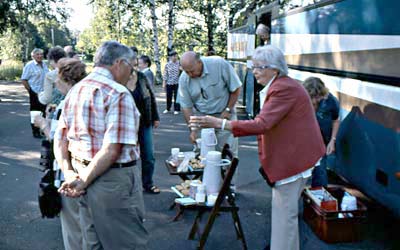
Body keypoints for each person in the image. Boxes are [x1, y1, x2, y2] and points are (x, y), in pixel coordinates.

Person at [189, 45, 325, 250]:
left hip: (293, 162)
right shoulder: (282, 85)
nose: (254, 71)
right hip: (294, 158)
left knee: (284, 217)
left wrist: (219, 123)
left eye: (259, 67)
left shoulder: (283, 88)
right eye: (254, 67)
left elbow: (262, 124)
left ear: (275, 69)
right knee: (283, 216)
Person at [54, 41, 149, 250]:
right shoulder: (118, 93)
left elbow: (60, 139)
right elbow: (112, 149)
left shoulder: (76, 90)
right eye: (131, 67)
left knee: (91, 243)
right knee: (126, 242)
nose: (131, 73)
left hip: (79, 173)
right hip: (111, 180)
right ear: (119, 63)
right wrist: (83, 181)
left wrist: (70, 174)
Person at [35, 58, 87, 250]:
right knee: (87, 228)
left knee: (73, 231)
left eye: (57, 77)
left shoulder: (68, 103)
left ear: (66, 79)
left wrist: (43, 125)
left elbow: (57, 139)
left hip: (68, 174)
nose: (55, 83)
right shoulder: (86, 99)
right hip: (87, 173)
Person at [178, 51, 241, 157]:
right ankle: (206, 173)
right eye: (186, 72)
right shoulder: (184, 79)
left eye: (192, 71)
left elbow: (236, 88)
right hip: (202, 118)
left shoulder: (219, 64)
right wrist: (193, 129)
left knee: (228, 154)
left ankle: (227, 173)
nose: (190, 75)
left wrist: (228, 110)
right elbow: (186, 107)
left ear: (199, 62)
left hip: (224, 115)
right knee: (203, 155)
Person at [127, 51, 161, 194]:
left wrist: (155, 117)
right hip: (127, 125)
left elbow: (151, 96)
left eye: (136, 65)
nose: (134, 68)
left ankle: (148, 183)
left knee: (148, 155)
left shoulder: (141, 77)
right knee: (127, 157)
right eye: (132, 65)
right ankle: (130, 186)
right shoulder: (118, 80)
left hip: (144, 122)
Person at [303, 77, 340, 188]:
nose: (314, 101)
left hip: (321, 142)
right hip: (302, 142)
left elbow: (336, 120)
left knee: (320, 172)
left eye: (317, 97)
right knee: (298, 176)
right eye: (311, 97)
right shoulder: (299, 100)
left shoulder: (330, 101)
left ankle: (319, 197)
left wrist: (332, 141)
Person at [21, 48, 49, 138]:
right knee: (35, 113)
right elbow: (24, 79)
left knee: (44, 111)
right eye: (37, 54)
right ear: (33, 56)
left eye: (41, 54)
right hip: (35, 93)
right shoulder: (29, 65)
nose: (40, 56)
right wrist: (30, 91)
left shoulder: (45, 64)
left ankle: (44, 130)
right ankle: (35, 131)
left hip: (44, 92)